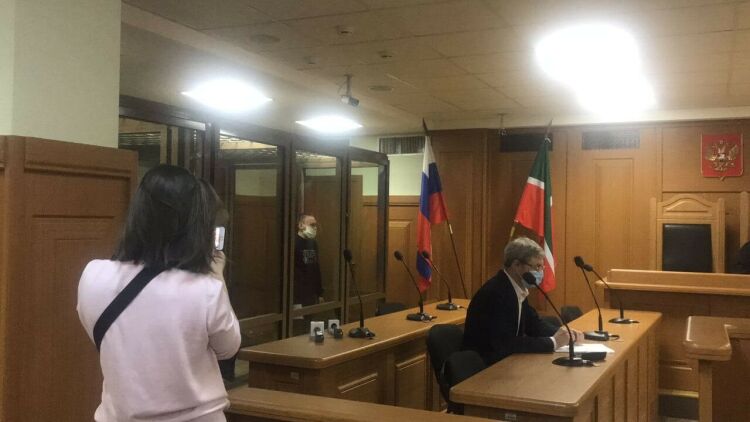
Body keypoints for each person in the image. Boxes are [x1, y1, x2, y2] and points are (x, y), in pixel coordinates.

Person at [77, 165, 241, 422]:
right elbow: (228, 347)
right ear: (196, 226)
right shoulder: (205, 290)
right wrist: (217, 275)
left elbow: (104, 335)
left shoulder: (93, 275)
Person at [463, 236, 582, 365]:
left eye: (542, 267)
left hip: (506, 361)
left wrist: (564, 334)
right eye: (537, 267)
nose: (540, 272)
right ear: (516, 265)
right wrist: (553, 342)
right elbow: (507, 342)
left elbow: (533, 324)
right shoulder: (496, 293)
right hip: (485, 366)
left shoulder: (515, 288)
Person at [293, 214, 324, 306]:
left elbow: (315, 268)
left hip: (311, 293)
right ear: (301, 225)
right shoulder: (293, 243)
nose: (315, 228)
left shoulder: (312, 243)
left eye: (315, 225)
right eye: (312, 225)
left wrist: (319, 293)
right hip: (296, 294)